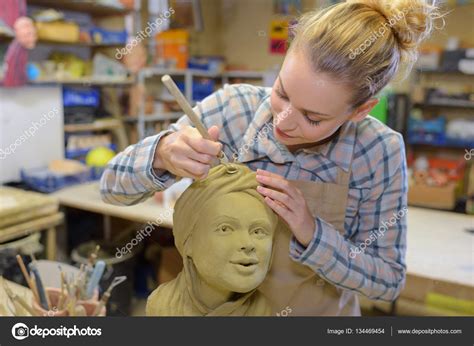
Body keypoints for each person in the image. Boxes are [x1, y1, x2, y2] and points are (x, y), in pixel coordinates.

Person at [101, 0, 442, 315]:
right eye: (282, 92)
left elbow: (387, 282)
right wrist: (161, 155)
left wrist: (312, 233)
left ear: (360, 110)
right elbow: (112, 187)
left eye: (313, 117)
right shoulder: (234, 110)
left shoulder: (377, 152)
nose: (284, 122)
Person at [146, 164, 279, 316]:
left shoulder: (266, 312)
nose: (247, 244)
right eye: (225, 229)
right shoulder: (163, 307)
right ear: (189, 241)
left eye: (258, 231)